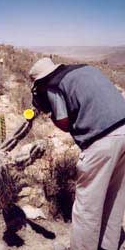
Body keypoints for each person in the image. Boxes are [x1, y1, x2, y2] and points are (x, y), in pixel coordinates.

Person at [29, 57, 125, 250]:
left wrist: (50, 115)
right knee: (114, 198)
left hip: (101, 141)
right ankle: (108, 246)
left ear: (39, 80)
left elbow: (63, 122)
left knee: (87, 207)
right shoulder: (84, 70)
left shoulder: (52, 85)